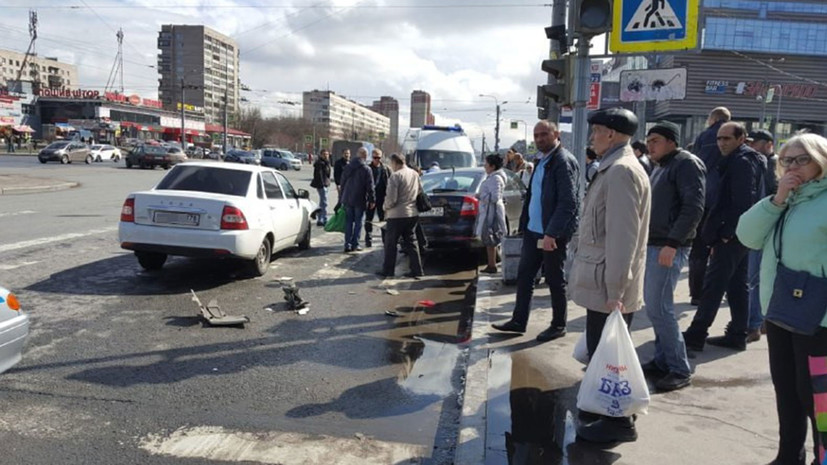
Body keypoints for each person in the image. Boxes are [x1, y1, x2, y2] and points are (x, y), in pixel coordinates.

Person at [736, 133, 827, 465]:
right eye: (787, 160)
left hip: (819, 322)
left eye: (803, 159)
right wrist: (778, 199)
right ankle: (788, 455)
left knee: (819, 399)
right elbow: (747, 234)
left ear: (821, 161)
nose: (793, 167)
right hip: (780, 312)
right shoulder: (785, 200)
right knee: (787, 391)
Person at [571, 107, 650, 444]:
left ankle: (618, 422)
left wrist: (615, 289)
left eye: (596, 131)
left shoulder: (620, 171)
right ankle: (599, 407)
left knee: (611, 358)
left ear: (613, 135)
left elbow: (622, 237)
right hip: (602, 280)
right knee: (601, 351)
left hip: (608, 284)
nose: (592, 137)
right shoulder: (613, 167)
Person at [491, 121, 580, 342]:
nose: (539, 139)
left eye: (544, 134)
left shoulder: (562, 161)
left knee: (554, 278)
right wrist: (524, 225)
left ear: (556, 134)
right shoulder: (541, 160)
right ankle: (518, 321)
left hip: (551, 234)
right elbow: (533, 195)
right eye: (536, 135)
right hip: (533, 231)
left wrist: (552, 233)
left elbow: (569, 203)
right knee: (525, 276)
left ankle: (558, 325)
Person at [682, 122, 767, 352]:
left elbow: (743, 200)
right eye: (719, 139)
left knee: (714, 284)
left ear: (741, 139)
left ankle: (696, 334)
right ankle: (738, 333)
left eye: (727, 138)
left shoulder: (741, 161)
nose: (721, 143)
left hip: (733, 233)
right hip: (739, 233)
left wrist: (728, 232)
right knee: (737, 285)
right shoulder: (745, 159)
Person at [640, 121, 706, 392]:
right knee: (654, 308)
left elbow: (693, 207)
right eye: (648, 140)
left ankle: (679, 368)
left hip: (669, 246)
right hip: (656, 244)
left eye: (655, 140)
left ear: (671, 141)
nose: (649, 145)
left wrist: (672, 243)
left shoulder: (686, 164)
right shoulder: (661, 166)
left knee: (661, 308)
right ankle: (662, 359)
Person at [689, 107, 731, 305]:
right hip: (725, 200)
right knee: (723, 250)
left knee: (698, 250)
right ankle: (718, 292)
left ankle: (696, 294)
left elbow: (697, 163)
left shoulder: (704, 136)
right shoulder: (735, 135)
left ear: (713, 118)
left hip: (703, 196)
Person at [745, 128, 779, 342]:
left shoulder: (771, 164)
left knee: (755, 279)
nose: (751, 145)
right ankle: (762, 321)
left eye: (754, 142)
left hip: (767, 229)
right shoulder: (763, 162)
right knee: (760, 278)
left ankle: (755, 324)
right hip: (764, 227)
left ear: (768, 144)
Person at [378, 153, 424, 279]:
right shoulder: (414, 173)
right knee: (412, 242)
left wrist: (384, 207)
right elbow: (420, 190)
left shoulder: (395, 176)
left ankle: (388, 270)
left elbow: (391, 199)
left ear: (394, 163)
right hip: (412, 213)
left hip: (397, 215)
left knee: (390, 243)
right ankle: (417, 270)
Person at [476, 154, 508, 273]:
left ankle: (492, 265)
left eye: (486, 164)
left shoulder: (495, 178)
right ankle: (491, 264)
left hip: (492, 213)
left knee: (491, 238)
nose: (484, 166)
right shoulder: (493, 177)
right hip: (489, 211)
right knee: (490, 239)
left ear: (492, 166)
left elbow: (495, 197)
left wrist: (481, 196)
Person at [339, 147, 375, 253]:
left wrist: (341, 198)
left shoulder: (348, 166)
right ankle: (355, 244)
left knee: (349, 222)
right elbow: (370, 186)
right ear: (365, 156)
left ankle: (347, 244)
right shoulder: (366, 169)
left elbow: (343, 183)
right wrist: (372, 200)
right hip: (360, 199)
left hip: (347, 198)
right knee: (359, 222)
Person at [365, 148, 391, 248]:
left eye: (379, 157)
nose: (377, 159)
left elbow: (390, 182)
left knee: (383, 219)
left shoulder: (385, 169)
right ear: (372, 157)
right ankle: (368, 238)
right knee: (369, 218)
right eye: (375, 157)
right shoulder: (368, 168)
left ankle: (385, 239)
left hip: (382, 197)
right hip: (370, 198)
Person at [310, 149, 332, 226]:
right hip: (321, 185)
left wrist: (327, 183)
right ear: (321, 155)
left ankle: (320, 219)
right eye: (324, 154)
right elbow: (318, 175)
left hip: (325, 184)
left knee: (322, 202)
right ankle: (324, 219)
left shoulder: (327, 163)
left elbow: (328, 175)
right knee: (324, 202)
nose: (326, 156)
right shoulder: (319, 163)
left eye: (327, 154)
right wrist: (322, 185)